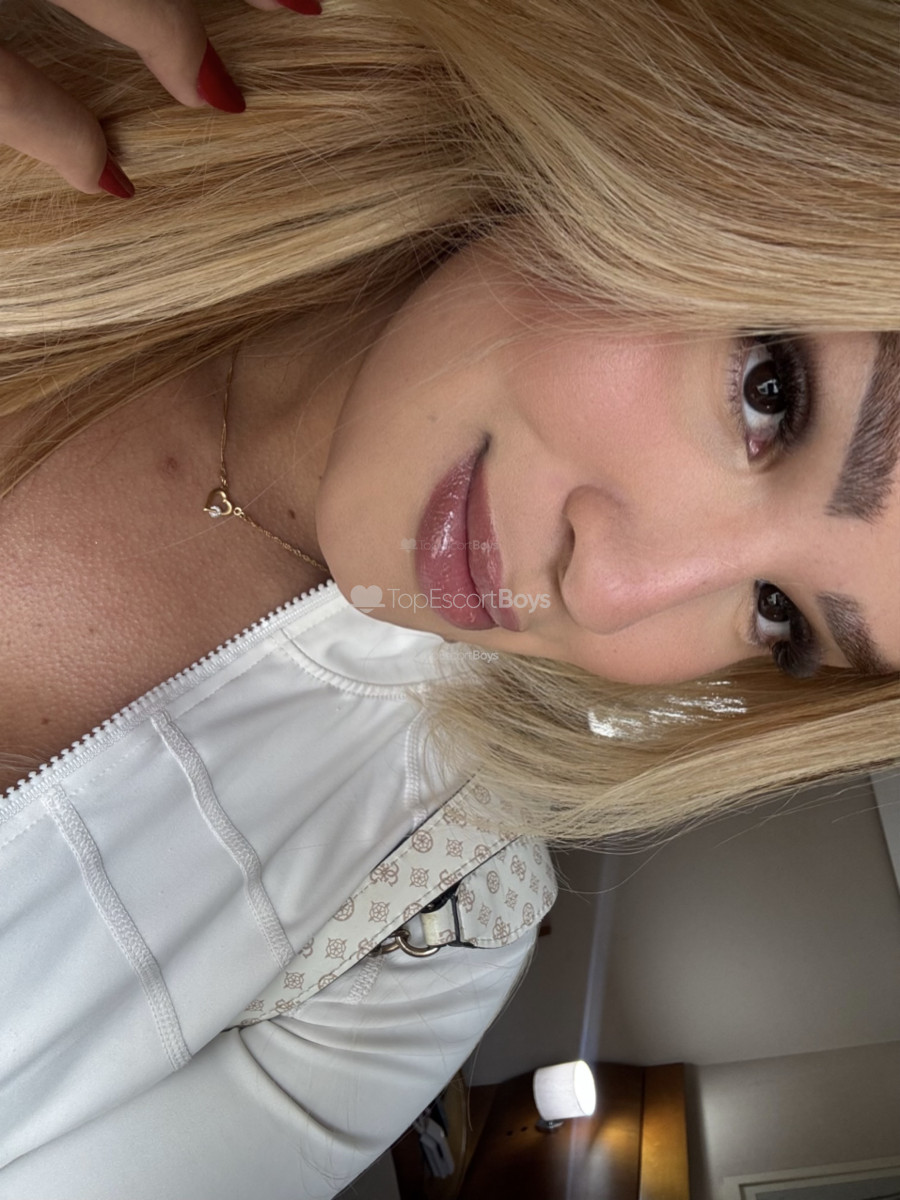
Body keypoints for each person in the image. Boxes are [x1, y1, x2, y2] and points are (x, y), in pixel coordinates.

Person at [0, 0, 897, 1195]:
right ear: (694, 149)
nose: (612, 592)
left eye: (780, 615)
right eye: (768, 393)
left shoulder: (424, 936)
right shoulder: (105, 51)